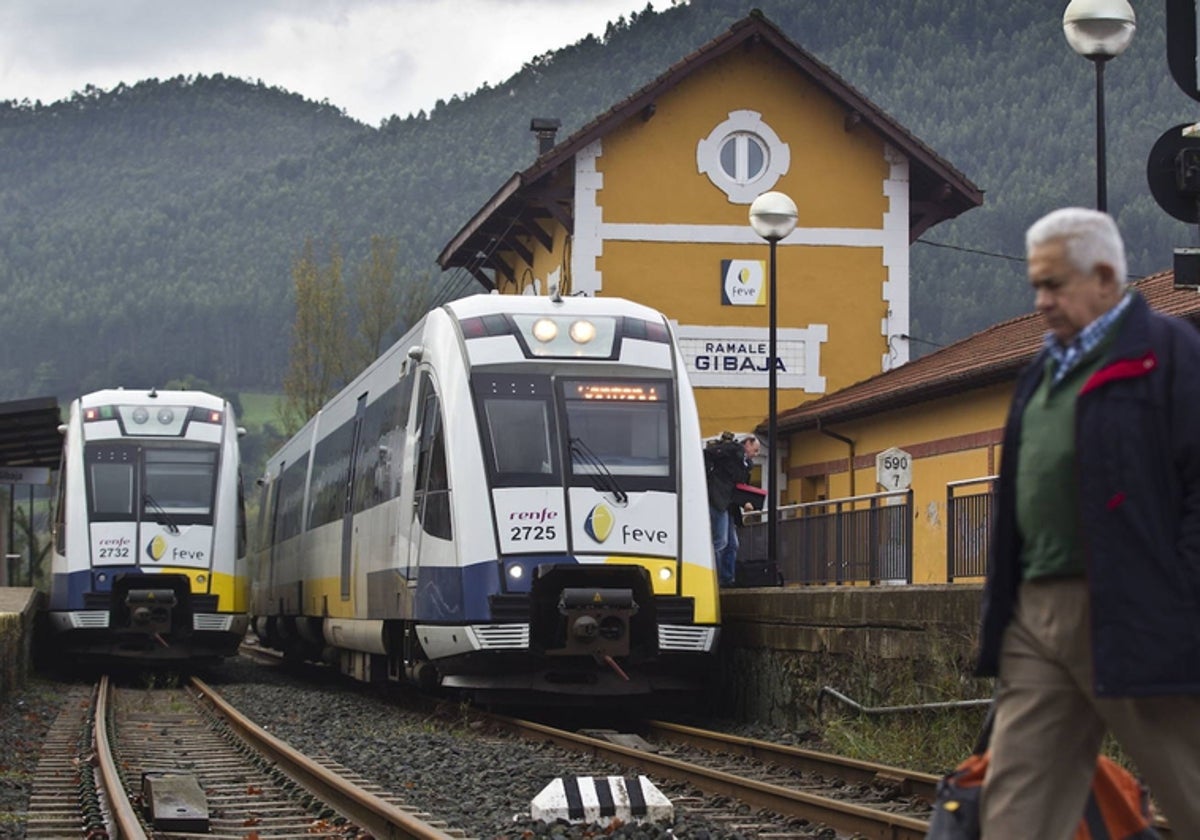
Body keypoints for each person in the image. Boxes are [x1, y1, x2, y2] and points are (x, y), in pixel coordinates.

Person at [976, 207, 1200, 838]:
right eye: (1036, 286)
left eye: (1054, 284)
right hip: (1036, 617)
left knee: (1190, 787)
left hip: (1135, 610)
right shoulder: (1041, 373)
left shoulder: (1170, 356)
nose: (1041, 301)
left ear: (1105, 277)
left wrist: (1181, 593)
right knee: (1017, 805)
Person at [705, 433, 760, 587]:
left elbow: (737, 486)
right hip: (720, 501)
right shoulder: (733, 453)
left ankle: (726, 578)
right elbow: (736, 484)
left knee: (731, 543)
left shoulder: (742, 462)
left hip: (727, 503)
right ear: (747, 443)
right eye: (754, 450)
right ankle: (716, 578)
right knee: (721, 541)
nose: (755, 455)